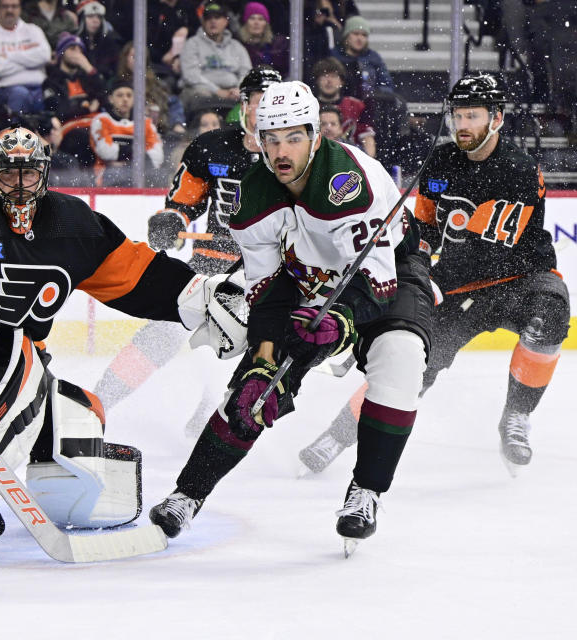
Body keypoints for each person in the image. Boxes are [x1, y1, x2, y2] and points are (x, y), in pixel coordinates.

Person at [0, 126, 241, 561]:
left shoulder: (71, 223)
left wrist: (201, 297)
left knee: (79, 418)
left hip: (16, 368)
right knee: (18, 365)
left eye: (31, 173)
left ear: (46, 173)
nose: (21, 185)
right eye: (10, 174)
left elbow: (137, 275)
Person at [149, 81, 433, 551]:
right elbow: (267, 287)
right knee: (252, 395)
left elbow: (378, 285)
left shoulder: (348, 183)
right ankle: (188, 493)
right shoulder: (251, 197)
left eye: (294, 138)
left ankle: (365, 491)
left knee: (400, 358)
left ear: (315, 136)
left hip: (388, 274)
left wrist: (337, 324)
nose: (282, 151)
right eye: (271, 139)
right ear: (257, 138)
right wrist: (263, 358)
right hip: (308, 278)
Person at [299, 74, 569, 479]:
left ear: (496, 119)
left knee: (551, 313)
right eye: (458, 115)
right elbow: (423, 229)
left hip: (521, 278)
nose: (462, 124)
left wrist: (432, 283)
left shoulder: (518, 170)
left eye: (472, 116)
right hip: (458, 288)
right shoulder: (440, 162)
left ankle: (516, 416)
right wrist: (410, 266)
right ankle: (337, 436)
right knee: (408, 364)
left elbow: (491, 253)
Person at [93, 66, 281, 429]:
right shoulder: (210, 147)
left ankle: (217, 419)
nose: (263, 111)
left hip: (269, 275)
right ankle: (98, 402)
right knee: (161, 334)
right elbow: (183, 202)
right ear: (242, 106)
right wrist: (172, 221)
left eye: (271, 103)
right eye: (257, 102)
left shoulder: (297, 155)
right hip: (211, 267)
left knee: (252, 354)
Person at [0, 0, 52, 115]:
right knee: (20, 94)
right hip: (4, 92)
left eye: (14, 6)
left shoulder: (33, 30)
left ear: (20, 8)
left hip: (38, 89)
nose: (10, 10)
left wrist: (8, 57)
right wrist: (30, 64)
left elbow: (45, 56)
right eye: (5, 6)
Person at [179, 1, 252, 115]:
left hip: (233, 92)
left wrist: (239, 89)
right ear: (203, 21)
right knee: (200, 94)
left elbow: (246, 73)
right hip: (203, 92)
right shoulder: (192, 44)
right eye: (208, 18)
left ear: (226, 21)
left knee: (252, 96)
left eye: (217, 17)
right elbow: (191, 75)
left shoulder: (237, 46)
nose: (213, 21)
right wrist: (217, 91)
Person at [88, 80, 164, 186]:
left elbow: (156, 158)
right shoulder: (101, 120)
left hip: (140, 175)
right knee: (116, 172)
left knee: (159, 177)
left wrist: (122, 158)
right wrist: (139, 153)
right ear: (111, 99)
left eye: (129, 95)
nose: (125, 99)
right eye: (120, 95)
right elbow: (105, 152)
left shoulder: (146, 123)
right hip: (106, 178)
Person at [312, 57, 375, 157]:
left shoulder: (357, 106)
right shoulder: (308, 107)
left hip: (349, 160)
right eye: (324, 76)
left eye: (333, 76)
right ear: (317, 80)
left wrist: (369, 162)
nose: (329, 81)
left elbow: (367, 138)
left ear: (342, 81)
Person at [43, 32, 106, 124]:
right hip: (70, 126)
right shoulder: (51, 82)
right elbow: (59, 112)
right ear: (62, 53)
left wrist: (90, 70)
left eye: (80, 50)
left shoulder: (87, 77)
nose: (77, 53)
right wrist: (87, 109)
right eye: (72, 49)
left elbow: (106, 98)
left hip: (96, 124)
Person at [336, 15, 394, 98]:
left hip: (369, 103)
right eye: (356, 34)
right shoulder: (335, 56)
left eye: (364, 35)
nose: (360, 38)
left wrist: (373, 95)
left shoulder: (373, 57)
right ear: (347, 36)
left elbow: (387, 85)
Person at [237, 2, 289, 78]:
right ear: (246, 22)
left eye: (261, 19)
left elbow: (283, 71)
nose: (256, 23)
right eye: (252, 18)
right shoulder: (238, 45)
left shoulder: (277, 45)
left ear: (266, 24)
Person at [75, 0, 122, 76]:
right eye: (90, 16)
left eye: (99, 17)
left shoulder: (111, 43)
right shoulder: (74, 43)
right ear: (81, 19)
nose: (95, 20)